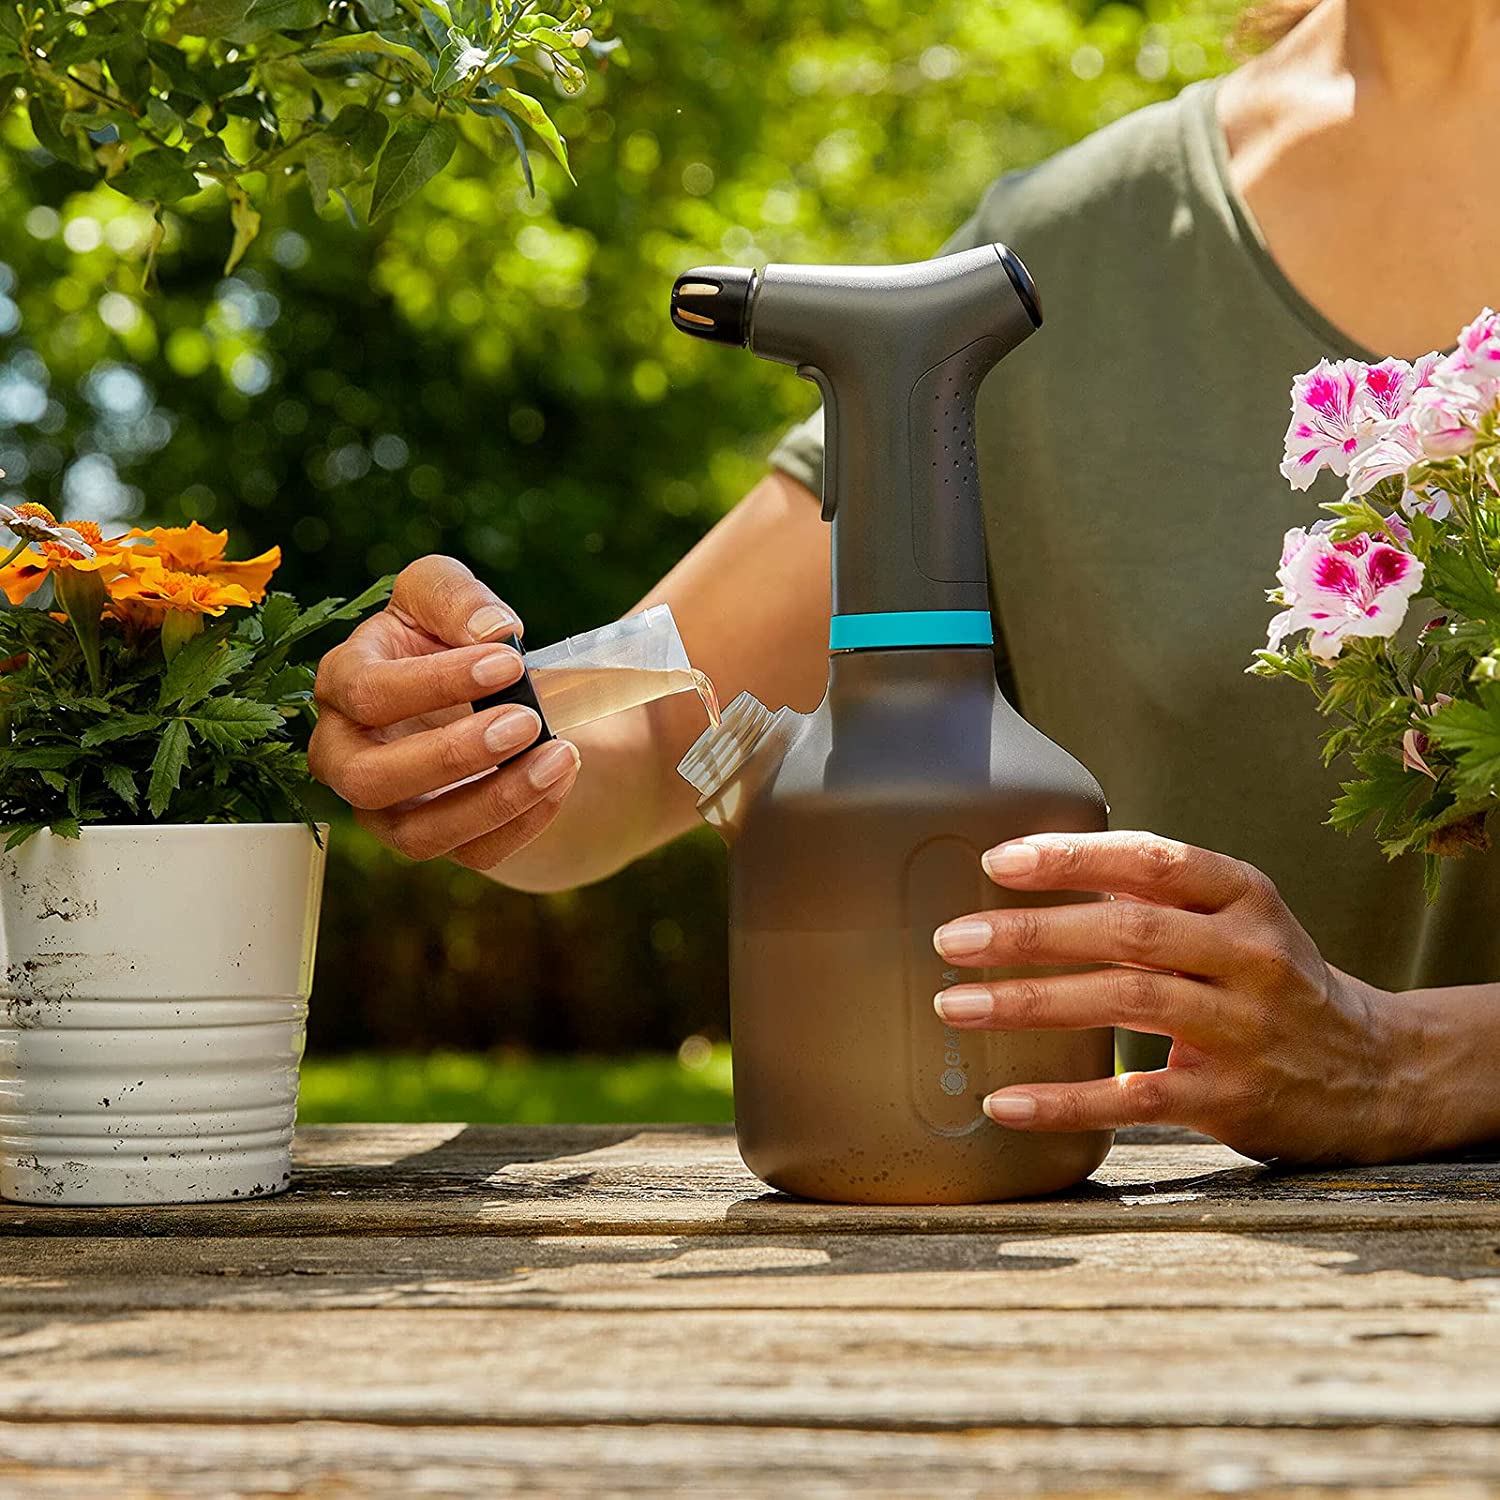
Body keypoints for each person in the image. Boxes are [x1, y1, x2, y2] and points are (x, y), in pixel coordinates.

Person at [308, 0, 1500, 1167]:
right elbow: (660, 732)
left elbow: (1392, 1065)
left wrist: (1407, 1063)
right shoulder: (1076, 255)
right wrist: (466, 726)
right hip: (1185, 1300)